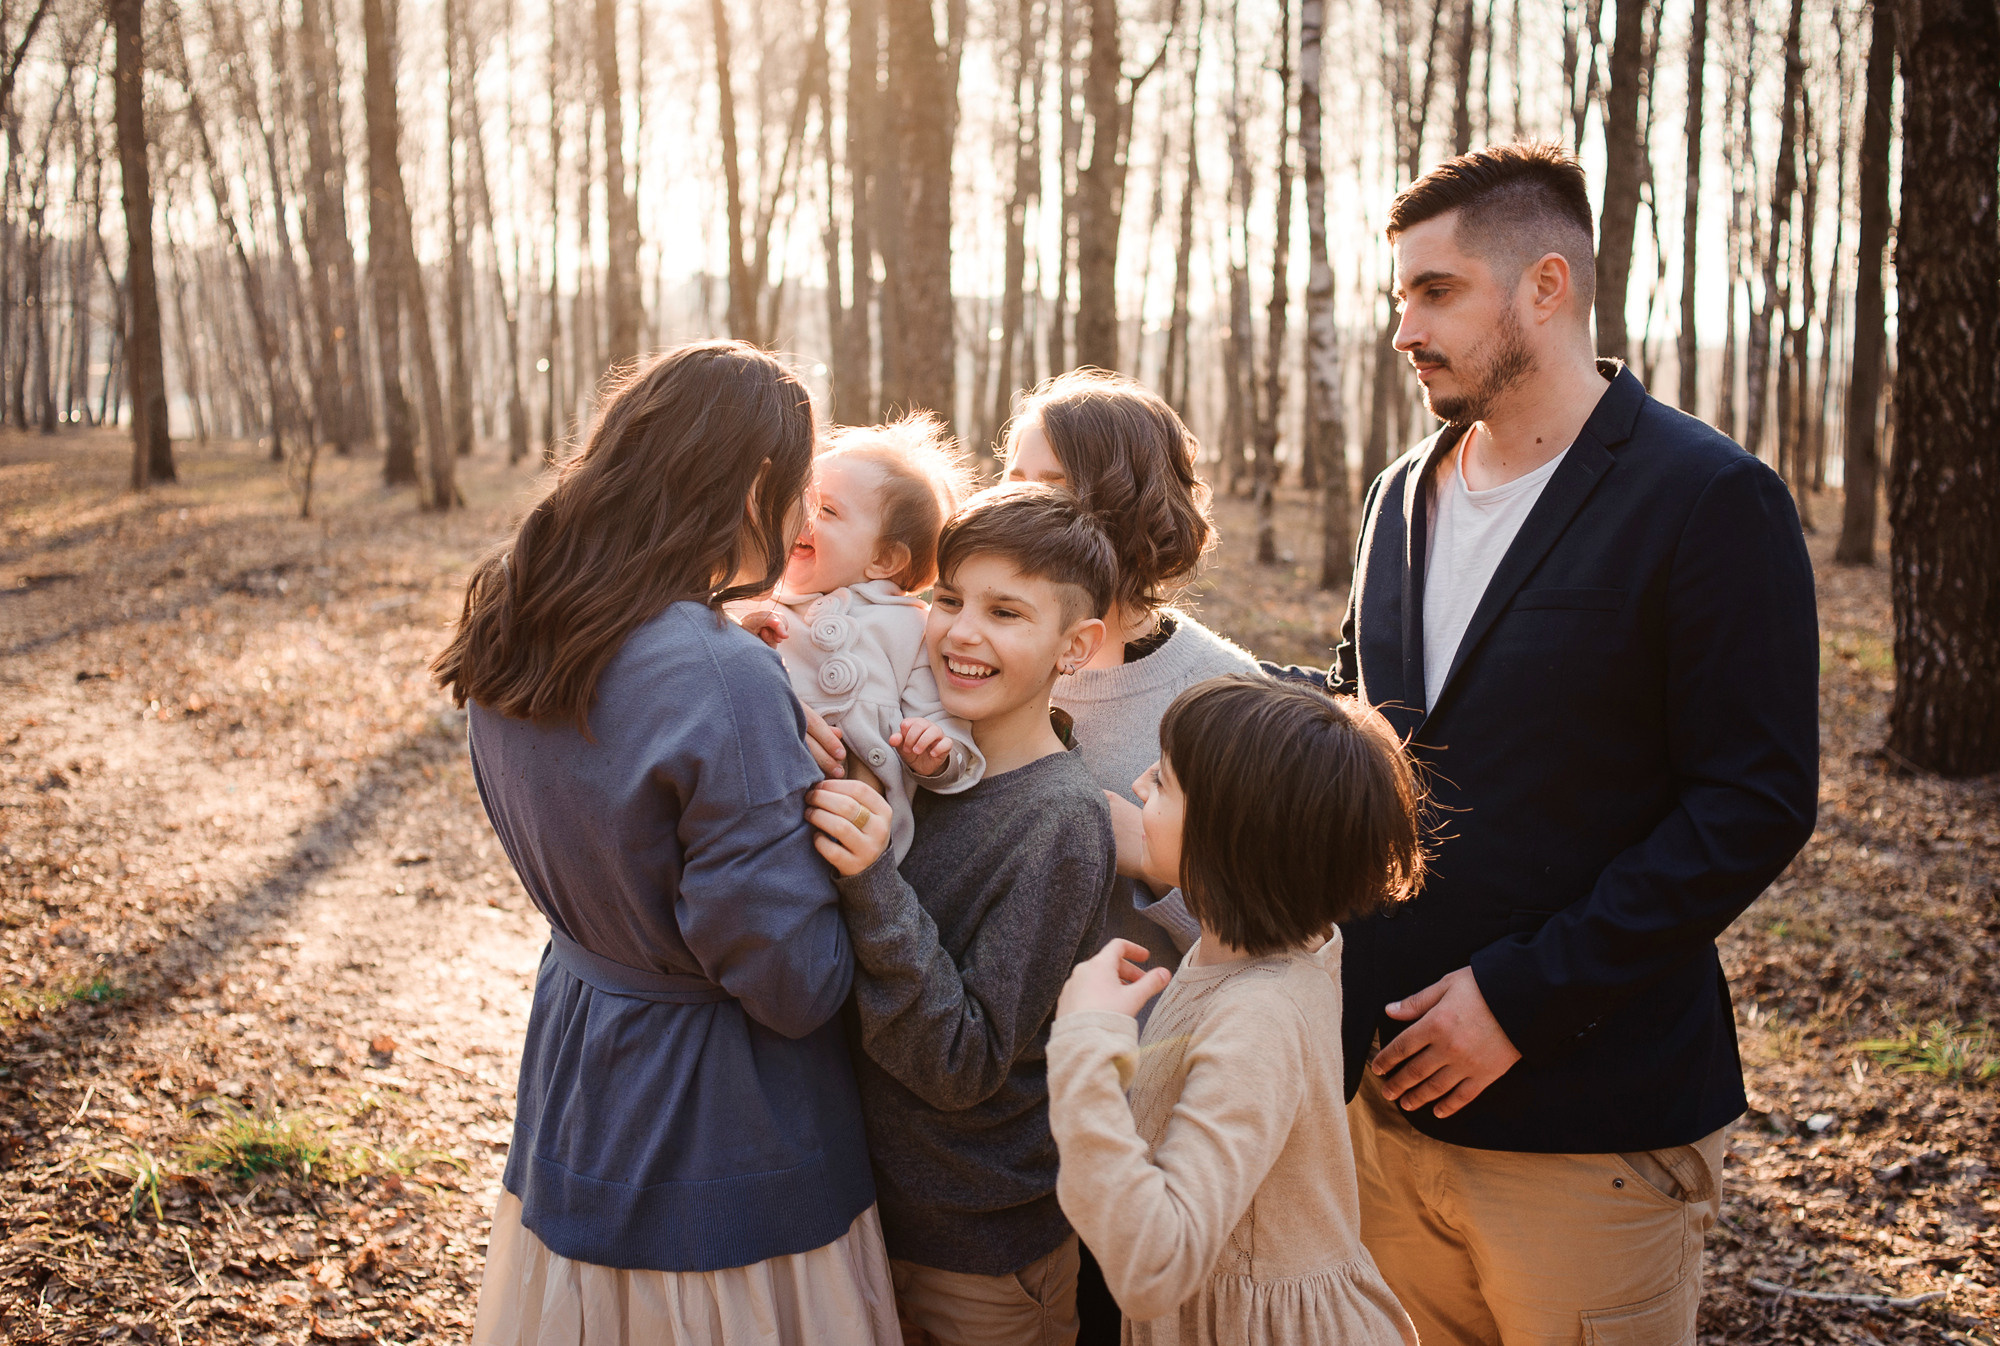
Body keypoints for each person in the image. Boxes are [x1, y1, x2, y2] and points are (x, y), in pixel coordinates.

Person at [1260, 142, 1819, 1340]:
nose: (1403, 327)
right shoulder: (1395, 492)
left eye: (1436, 291)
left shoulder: (1707, 496)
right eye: (1397, 296)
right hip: (1382, 1109)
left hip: (1586, 1123)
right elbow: (1372, 721)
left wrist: (1519, 998)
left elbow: (1752, 802)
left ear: (1545, 286)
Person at [433, 342, 898, 1345]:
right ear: (748, 484)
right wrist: (847, 823)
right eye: (798, 492)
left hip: (578, 1054)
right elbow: (790, 977)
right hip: (718, 1119)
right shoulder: (718, 676)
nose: (800, 523)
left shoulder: (522, 607)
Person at [805, 485, 1121, 1346]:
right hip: (865, 1219)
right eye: (948, 599)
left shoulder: (1059, 821)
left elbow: (963, 1061)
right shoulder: (922, 767)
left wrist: (872, 878)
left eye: (1006, 612)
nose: (961, 633)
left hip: (978, 1256)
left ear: (1076, 646)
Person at [1046, 675, 1422, 1346]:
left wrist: (1084, 1044)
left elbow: (1155, 1267)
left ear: (1229, 838)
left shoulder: (1261, 1017)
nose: (1136, 788)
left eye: (1161, 783)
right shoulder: (1273, 944)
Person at [1004, 369, 1259, 1345]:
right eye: (1010, 477)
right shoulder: (969, 645)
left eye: (1050, 485)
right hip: (983, 1117)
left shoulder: (1220, 693)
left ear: (1124, 504)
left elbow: (1267, 931)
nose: (1017, 503)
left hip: (1139, 1110)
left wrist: (1145, 852)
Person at [740, 413, 982, 861]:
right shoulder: (761, 601)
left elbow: (945, 721)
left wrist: (935, 755)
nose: (802, 518)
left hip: (860, 830)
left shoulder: (909, 626)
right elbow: (728, 686)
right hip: (765, 806)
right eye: (801, 501)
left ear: (885, 559)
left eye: (827, 511)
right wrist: (746, 641)